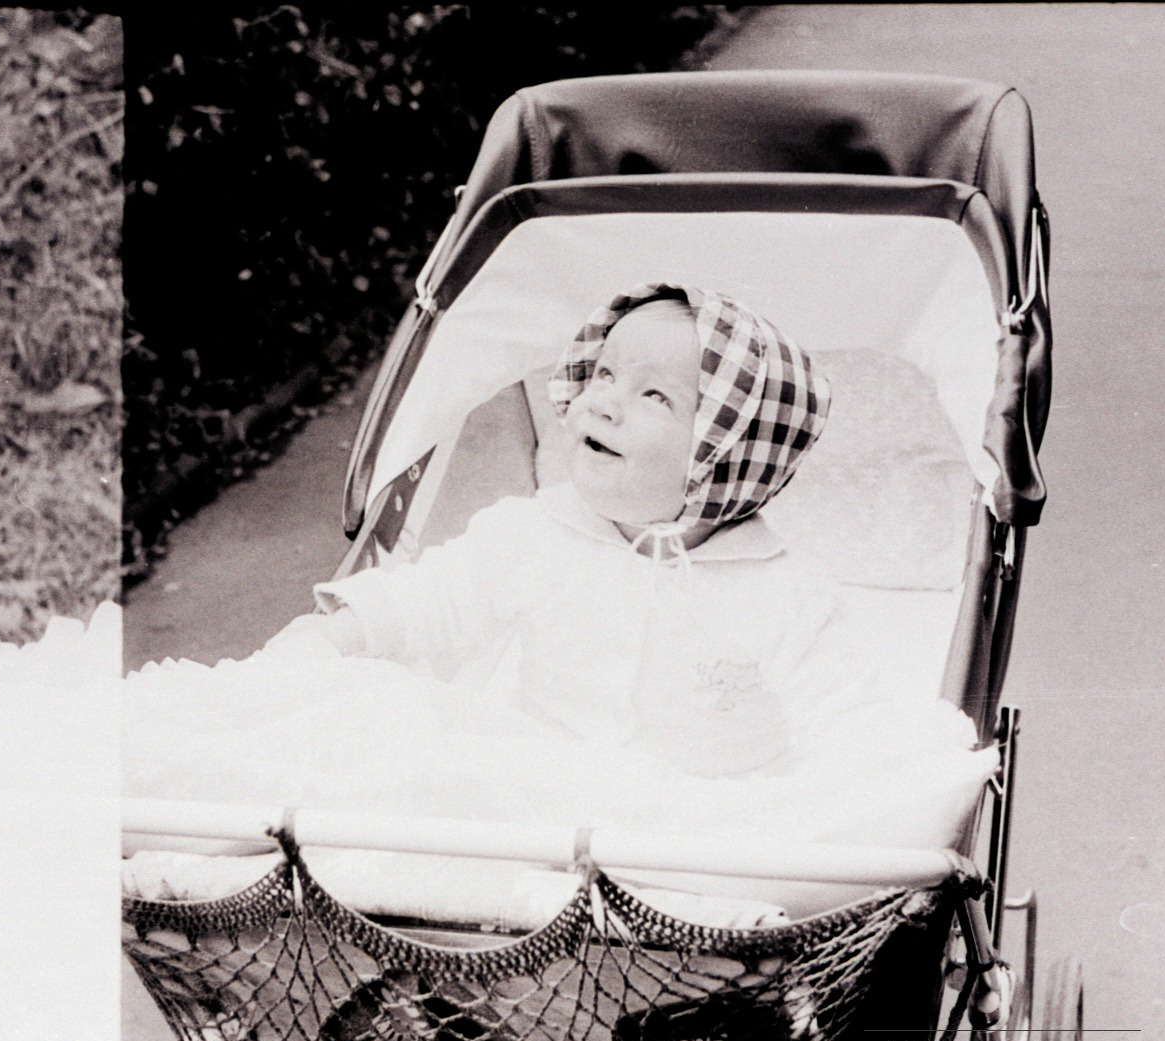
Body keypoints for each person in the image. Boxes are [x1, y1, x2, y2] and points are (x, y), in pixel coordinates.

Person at [267, 282, 834, 778]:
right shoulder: (535, 532)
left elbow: (840, 723)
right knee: (384, 735)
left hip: (690, 824)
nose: (606, 403)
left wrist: (788, 769)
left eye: (655, 396)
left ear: (728, 457)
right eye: (606, 373)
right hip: (539, 790)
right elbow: (432, 602)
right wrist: (339, 636)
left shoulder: (784, 590)